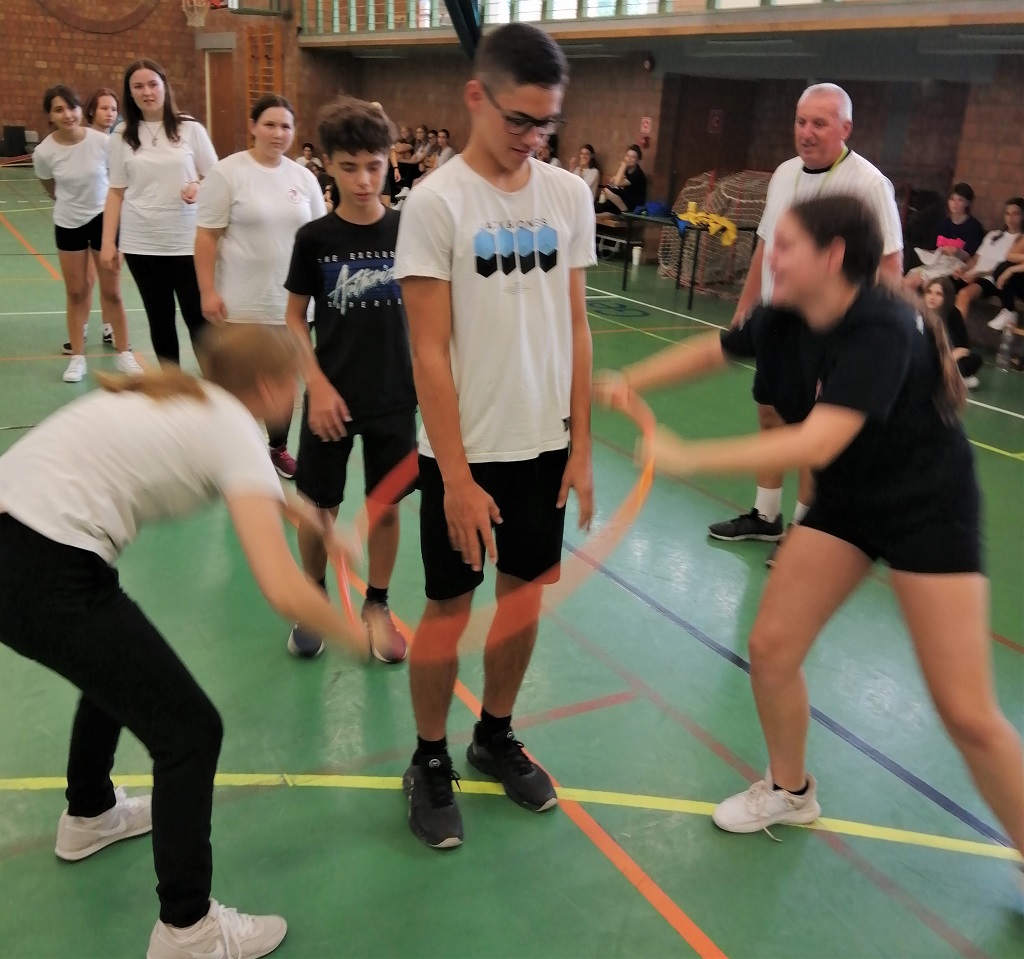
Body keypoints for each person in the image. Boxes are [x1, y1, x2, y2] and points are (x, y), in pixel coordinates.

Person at [620, 193, 1023, 863]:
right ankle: (791, 790)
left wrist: (688, 454)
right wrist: (627, 381)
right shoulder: (789, 312)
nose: (770, 258)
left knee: (967, 712)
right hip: (849, 501)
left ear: (833, 255)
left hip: (928, 509)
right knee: (772, 647)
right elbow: (717, 350)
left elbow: (818, 440)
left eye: (784, 246)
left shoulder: (884, 326)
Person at [0, 324, 368, 959]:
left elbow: (250, 481)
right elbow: (283, 588)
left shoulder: (190, 400)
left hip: (22, 543)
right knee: (191, 731)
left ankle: (90, 813)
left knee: (116, 666)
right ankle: (188, 930)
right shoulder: (234, 429)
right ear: (268, 388)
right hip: (45, 566)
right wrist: (354, 635)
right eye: (294, 384)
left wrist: (311, 520)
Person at [394, 22, 596, 850]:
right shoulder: (436, 203)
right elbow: (428, 352)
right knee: (448, 607)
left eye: (547, 122)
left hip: (544, 445)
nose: (533, 137)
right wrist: (456, 476)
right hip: (466, 452)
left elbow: (576, 326)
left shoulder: (568, 196)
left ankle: (495, 734)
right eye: (520, 119)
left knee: (522, 598)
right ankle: (429, 756)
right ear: (476, 97)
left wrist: (582, 445)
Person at [712, 82, 904, 549]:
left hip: (832, 330)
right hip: (779, 322)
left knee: (811, 431)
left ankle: (803, 530)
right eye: (801, 121)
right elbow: (765, 247)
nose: (807, 132)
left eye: (820, 123)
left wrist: (862, 339)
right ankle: (766, 514)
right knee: (770, 413)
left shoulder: (869, 184)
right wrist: (745, 307)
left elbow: (890, 267)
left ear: (845, 128)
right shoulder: (783, 174)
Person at [283, 96, 415, 664]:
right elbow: (294, 317)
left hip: (394, 396)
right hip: (331, 396)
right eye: (349, 167)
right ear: (329, 166)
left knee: (386, 507)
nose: (363, 180)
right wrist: (316, 384)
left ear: (389, 162)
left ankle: (377, 603)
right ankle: (312, 597)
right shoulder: (315, 238)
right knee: (319, 510)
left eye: (374, 166)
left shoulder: (410, 231)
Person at [195, 94, 326, 479]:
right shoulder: (227, 173)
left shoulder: (304, 178)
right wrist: (207, 290)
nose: (278, 133)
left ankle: (277, 448)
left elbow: (318, 239)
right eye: (269, 124)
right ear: (252, 126)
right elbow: (206, 237)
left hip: (292, 306)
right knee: (236, 384)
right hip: (240, 303)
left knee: (283, 384)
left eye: (286, 126)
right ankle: (229, 452)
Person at [101, 59, 218, 367]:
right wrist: (108, 243)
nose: (147, 92)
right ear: (130, 93)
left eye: (153, 84)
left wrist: (197, 186)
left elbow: (216, 178)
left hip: (187, 243)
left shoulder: (191, 129)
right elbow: (116, 192)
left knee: (200, 321)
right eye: (138, 86)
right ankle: (171, 388)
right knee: (160, 320)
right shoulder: (122, 135)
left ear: (165, 87)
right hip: (142, 245)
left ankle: (215, 387)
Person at [32, 85, 138, 382]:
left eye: (72, 107)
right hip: (68, 224)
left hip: (103, 220)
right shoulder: (44, 152)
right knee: (76, 292)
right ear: (50, 116)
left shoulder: (102, 142)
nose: (67, 114)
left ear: (81, 110)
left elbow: (117, 181)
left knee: (112, 291)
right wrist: (68, 202)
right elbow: (49, 186)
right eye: (59, 109)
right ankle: (78, 358)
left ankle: (124, 354)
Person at [952, 197, 1023, 327]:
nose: (1010, 218)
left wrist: (979, 274)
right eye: (1007, 214)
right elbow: (975, 259)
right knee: (943, 284)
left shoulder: (1020, 240)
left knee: (964, 294)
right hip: (973, 273)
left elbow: (1004, 267)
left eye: (1015, 214)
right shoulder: (993, 235)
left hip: (990, 279)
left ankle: (957, 334)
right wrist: (963, 269)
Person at [903, 183, 986, 293]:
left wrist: (956, 252)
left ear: (967, 203)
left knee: (928, 283)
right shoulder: (942, 223)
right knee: (912, 278)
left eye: (960, 200)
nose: (955, 203)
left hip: (956, 267)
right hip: (937, 262)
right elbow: (932, 248)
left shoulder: (974, 227)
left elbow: (971, 256)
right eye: (952, 199)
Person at [924, 277, 982, 389]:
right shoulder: (917, 311)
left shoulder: (953, 314)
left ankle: (951, 376)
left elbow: (964, 346)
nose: (932, 297)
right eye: (929, 292)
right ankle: (951, 377)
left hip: (950, 357)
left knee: (975, 359)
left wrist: (952, 356)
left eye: (938, 294)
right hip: (928, 357)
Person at [595, 144, 646, 216]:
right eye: (627, 156)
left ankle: (625, 213)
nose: (629, 159)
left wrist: (623, 166)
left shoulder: (637, 174)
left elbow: (616, 183)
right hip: (623, 200)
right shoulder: (628, 170)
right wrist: (617, 178)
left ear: (637, 160)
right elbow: (613, 181)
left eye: (633, 157)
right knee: (599, 207)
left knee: (607, 190)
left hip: (633, 205)